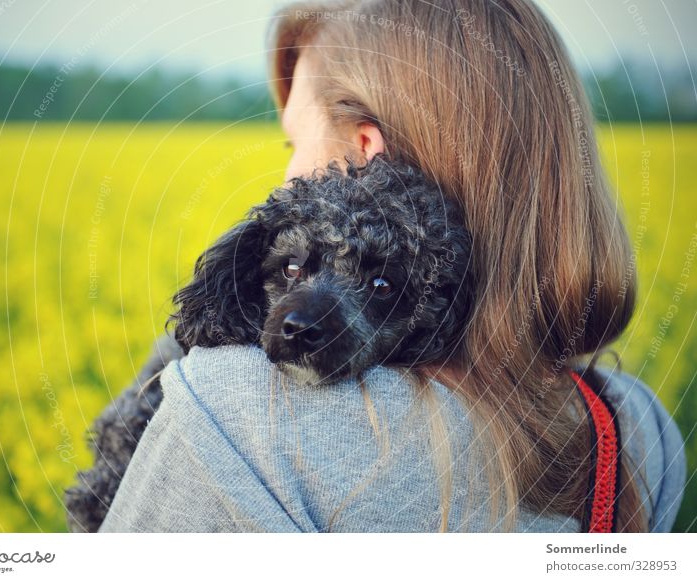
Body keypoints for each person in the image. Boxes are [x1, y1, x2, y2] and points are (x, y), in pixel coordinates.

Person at [93, 0, 686, 532]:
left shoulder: (239, 413)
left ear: (367, 149)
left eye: (293, 143)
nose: (288, 174)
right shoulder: (636, 428)